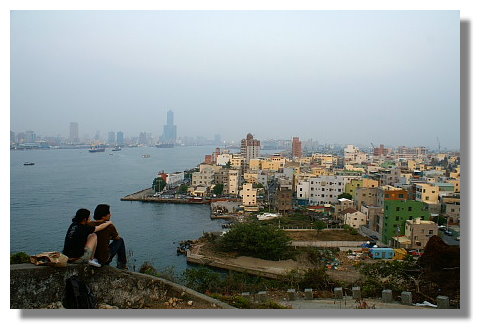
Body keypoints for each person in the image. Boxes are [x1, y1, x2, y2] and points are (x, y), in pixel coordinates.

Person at [91, 204, 128, 270]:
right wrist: (111, 224)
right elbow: (117, 237)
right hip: (103, 259)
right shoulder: (109, 226)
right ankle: (122, 265)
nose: (110, 215)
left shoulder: (90, 225)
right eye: (108, 213)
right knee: (120, 240)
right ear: (103, 217)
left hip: (91, 258)